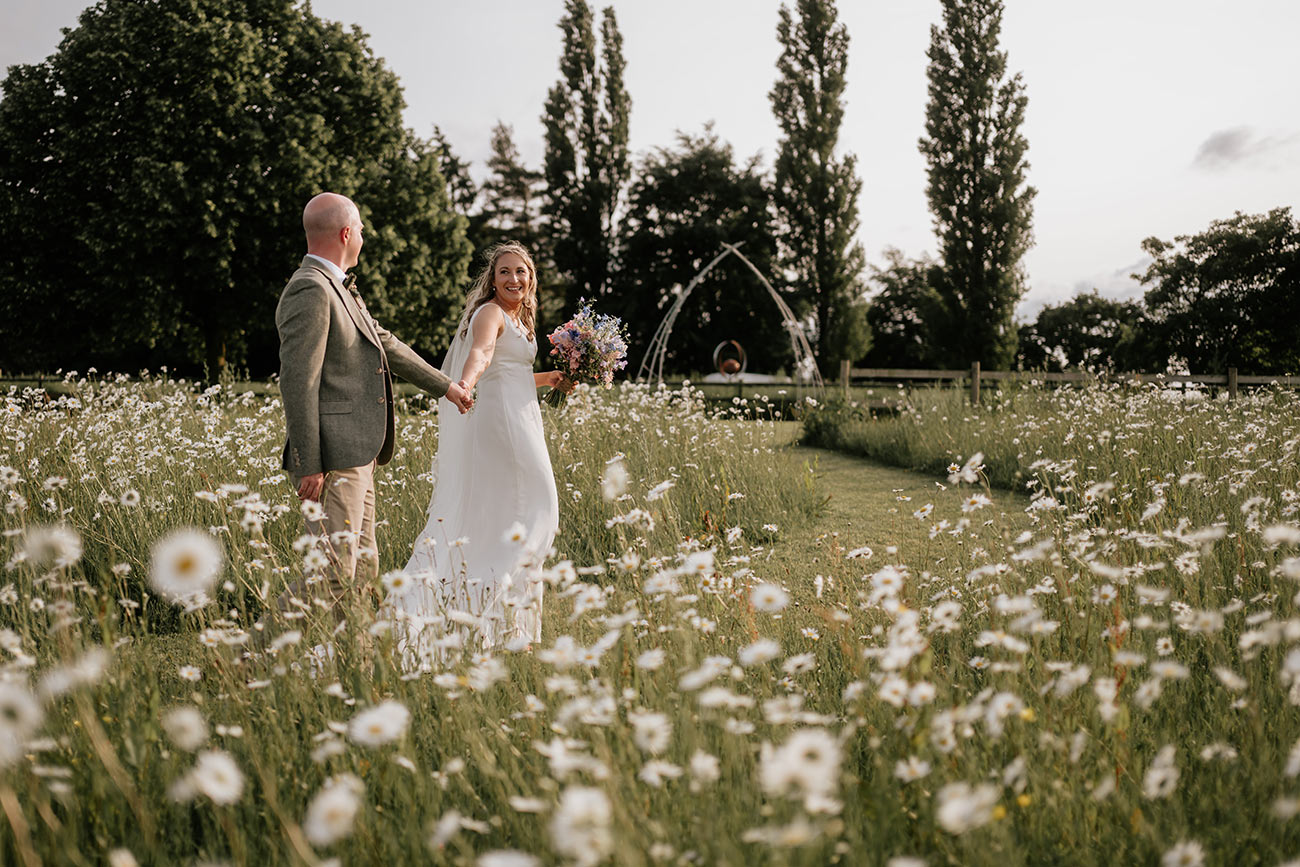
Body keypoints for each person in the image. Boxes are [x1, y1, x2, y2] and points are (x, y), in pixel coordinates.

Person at [277, 192, 473, 618]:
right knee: (330, 572)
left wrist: (446, 387)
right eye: (361, 229)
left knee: (362, 573)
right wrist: (307, 460)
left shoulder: (340, 288)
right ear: (346, 233)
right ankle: (244, 665)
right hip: (332, 458)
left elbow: (387, 344)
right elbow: (298, 381)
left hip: (360, 453)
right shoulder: (310, 289)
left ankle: (360, 678)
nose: (364, 237)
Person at [392, 241, 569, 657]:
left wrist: (552, 378)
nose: (514, 279)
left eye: (521, 272)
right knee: (537, 508)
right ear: (492, 278)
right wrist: (465, 384)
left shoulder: (518, 318)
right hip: (503, 424)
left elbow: (513, 372)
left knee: (507, 513)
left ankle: (503, 627)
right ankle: (488, 610)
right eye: (505, 272)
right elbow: (482, 355)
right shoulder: (490, 313)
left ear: (531, 278)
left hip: (522, 417)